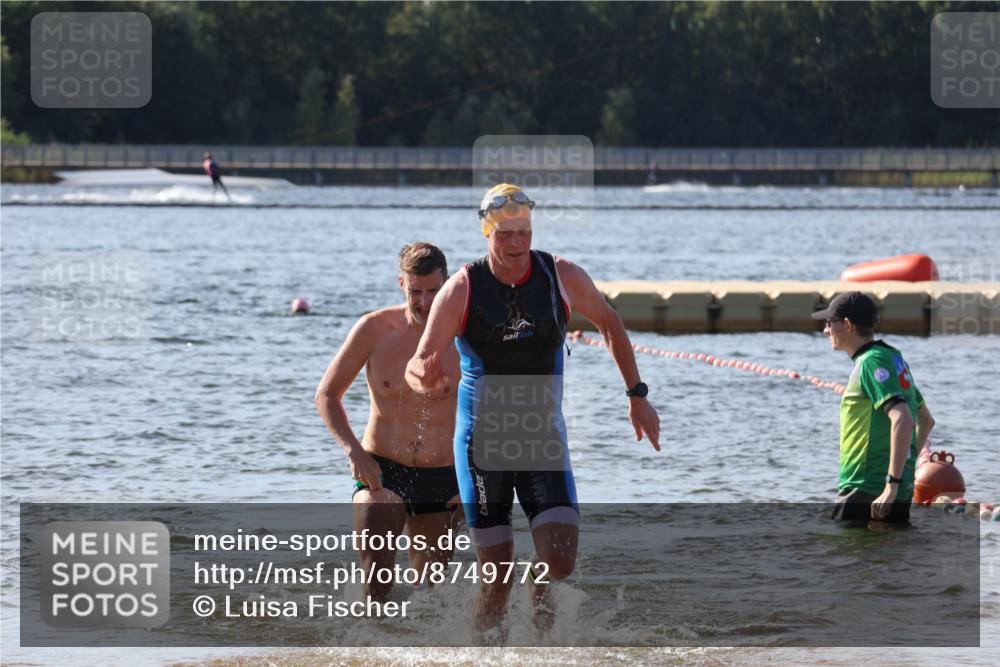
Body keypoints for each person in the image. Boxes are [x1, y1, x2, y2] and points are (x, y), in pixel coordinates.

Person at [405, 183, 661, 637]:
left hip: (542, 438)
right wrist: (422, 377)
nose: (517, 242)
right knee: (496, 575)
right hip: (481, 445)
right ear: (488, 233)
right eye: (506, 233)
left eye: (523, 231)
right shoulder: (462, 288)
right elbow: (419, 362)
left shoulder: (560, 274)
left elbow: (609, 321)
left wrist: (636, 395)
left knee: (560, 561)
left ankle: (537, 601)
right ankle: (482, 650)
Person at [316, 242, 461, 601]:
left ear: (448, 284)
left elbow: (493, 409)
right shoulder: (375, 329)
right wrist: (354, 452)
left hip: (444, 474)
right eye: (416, 292)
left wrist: (475, 473)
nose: (425, 302)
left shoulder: (467, 337)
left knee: (429, 597)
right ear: (401, 284)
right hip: (379, 470)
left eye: (434, 291)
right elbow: (327, 395)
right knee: (375, 589)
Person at [812, 291, 935, 524]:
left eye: (829, 323)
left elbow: (904, 419)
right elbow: (926, 421)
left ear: (847, 324)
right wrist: (902, 475)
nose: (825, 330)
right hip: (896, 491)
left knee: (840, 555)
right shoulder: (894, 358)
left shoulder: (870, 362)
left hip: (865, 488)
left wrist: (891, 484)